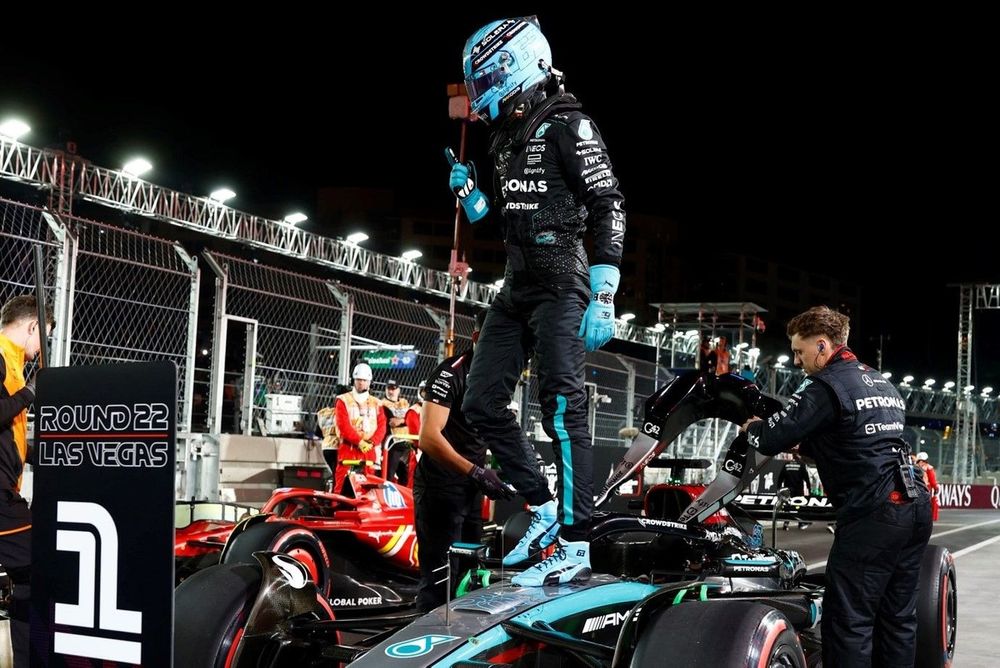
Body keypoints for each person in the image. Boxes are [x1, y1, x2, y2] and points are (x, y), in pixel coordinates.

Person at [452, 16, 626, 587]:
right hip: (517, 285)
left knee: (562, 406)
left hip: (562, 283)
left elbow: (609, 204)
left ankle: (577, 542)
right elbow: (502, 217)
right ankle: (545, 508)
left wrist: (604, 293)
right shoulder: (504, 136)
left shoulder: (570, 125)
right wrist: (470, 195)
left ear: (517, 68)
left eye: (484, 81)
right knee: (480, 403)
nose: (480, 95)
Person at [741, 305, 931, 667]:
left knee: (849, 621)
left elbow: (771, 437)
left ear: (822, 345)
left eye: (800, 351)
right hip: (914, 504)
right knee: (897, 619)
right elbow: (857, 440)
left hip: (875, 513)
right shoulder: (881, 381)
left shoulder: (825, 384)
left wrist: (752, 428)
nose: (797, 361)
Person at [414, 311, 514, 611]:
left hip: (471, 489)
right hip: (440, 489)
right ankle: (427, 635)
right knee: (439, 581)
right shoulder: (450, 373)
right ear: (477, 338)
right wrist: (476, 472)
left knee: (469, 577)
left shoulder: (496, 377)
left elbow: (496, 427)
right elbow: (428, 437)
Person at [1, 295, 53, 668]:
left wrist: (44, 453)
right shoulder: (2, 358)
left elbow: (8, 436)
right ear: (33, 326)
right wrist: (30, 394)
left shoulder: (13, 364)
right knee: (40, 566)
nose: (41, 349)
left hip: (6, 491)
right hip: (1, 499)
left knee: (31, 577)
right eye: (43, 337)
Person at [332, 363, 385, 494]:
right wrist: (359, 442)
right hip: (348, 449)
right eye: (359, 380)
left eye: (364, 380)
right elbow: (343, 425)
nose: (361, 383)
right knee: (341, 487)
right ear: (353, 380)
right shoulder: (343, 400)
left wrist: (372, 442)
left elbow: (382, 426)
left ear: (370, 382)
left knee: (369, 488)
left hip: (369, 450)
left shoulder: (377, 403)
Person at [380, 379, 412, 485]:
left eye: (393, 389)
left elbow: (411, 419)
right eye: (388, 388)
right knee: (389, 474)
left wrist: (402, 420)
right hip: (393, 443)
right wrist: (405, 420)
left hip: (407, 442)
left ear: (398, 390)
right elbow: (392, 422)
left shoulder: (404, 402)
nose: (391, 391)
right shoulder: (382, 404)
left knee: (405, 474)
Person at [916, 452, 939, 521]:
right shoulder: (929, 468)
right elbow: (932, 480)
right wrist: (936, 488)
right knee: (927, 504)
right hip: (926, 489)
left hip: (915, 488)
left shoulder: (914, 466)